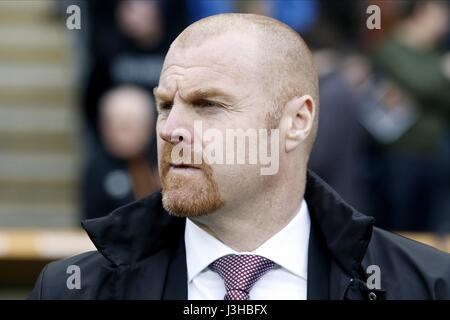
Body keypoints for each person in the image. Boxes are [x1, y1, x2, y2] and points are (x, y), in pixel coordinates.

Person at [29, 13, 450, 300]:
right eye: (164, 105)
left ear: (296, 121)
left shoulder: (426, 286)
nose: (169, 128)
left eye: (208, 105)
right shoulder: (73, 290)